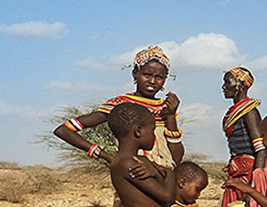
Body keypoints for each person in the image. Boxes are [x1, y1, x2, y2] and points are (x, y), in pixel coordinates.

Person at [53, 45, 185, 172]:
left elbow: (176, 158)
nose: (152, 81)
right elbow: (63, 130)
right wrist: (108, 157)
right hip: (134, 177)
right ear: (135, 74)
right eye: (147, 75)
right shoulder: (120, 105)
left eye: (159, 77)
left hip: (165, 179)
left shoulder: (166, 108)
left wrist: (171, 116)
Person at [216, 66, 267, 207]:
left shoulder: (249, 111)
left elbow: (260, 149)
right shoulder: (238, 111)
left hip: (247, 172)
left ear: (240, 85)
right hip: (238, 171)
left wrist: (252, 185)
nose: (223, 87)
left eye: (227, 82)